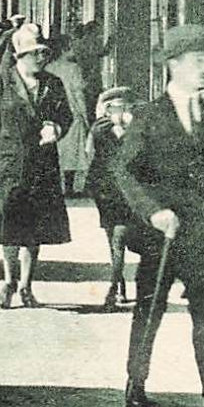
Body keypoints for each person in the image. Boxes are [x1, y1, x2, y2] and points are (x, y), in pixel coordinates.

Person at [113, 24, 204, 407]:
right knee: (148, 312)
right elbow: (124, 172)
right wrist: (154, 212)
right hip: (161, 240)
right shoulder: (150, 116)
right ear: (174, 65)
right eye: (198, 60)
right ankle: (136, 379)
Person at [0, 23, 73, 309]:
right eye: (33, 53)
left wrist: (56, 128)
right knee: (10, 225)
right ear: (19, 56)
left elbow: (66, 116)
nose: (40, 58)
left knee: (34, 229)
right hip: (10, 163)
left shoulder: (53, 84)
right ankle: (8, 280)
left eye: (42, 52)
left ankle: (26, 286)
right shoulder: (1, 82)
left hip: (42, 165)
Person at [87, 85, 143, 309]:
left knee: (119, 237)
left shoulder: (138, 127)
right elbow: (93, 146)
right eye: (119, 107)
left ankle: (116, 285)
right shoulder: (101, 127)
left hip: (130, 191)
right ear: (108, 109)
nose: (124, 111)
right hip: (107, 190)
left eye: (128, 106)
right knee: (115, 237)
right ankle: (117, 284)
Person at [46, 35, 93, 195]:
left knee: (58, 153)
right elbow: (79, 95)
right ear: (64, 49)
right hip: (72, 115)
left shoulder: (48, 67)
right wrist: (86, 118)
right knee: (72, 155)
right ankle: (70, 188)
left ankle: (57, 187)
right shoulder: (74, 68)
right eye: (71, 46)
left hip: (54, 115)